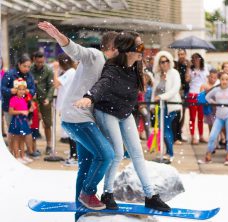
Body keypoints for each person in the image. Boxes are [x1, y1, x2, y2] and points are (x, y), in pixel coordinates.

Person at [75, 32, 171, 212]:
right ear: (127, 50)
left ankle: (150, 196)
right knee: (117, 153)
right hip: (107, 112)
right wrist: (89, 97)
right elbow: (102, 84)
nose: (143, 50)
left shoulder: (135, 67)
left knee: (137, 154)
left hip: (125, 114)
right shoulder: (112, 69)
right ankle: (107, 193)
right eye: (139, 47)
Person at [38, 21, 117, 221]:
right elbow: (76, 51)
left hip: (76, 118)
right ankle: (87, 193)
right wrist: (58, 35)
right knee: (106, 155)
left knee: (86, 164)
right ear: (111, 48)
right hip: (78, 119)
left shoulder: (109, 67)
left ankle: (80, 213)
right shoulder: (96, 56)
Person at [151, 50, 182, 161]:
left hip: (172, 106)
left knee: (166, 129)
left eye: (166, 61)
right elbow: (155, 91)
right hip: (160, 106)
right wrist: (152, 106)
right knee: (163, 129)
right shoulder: (158, 75)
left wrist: (162, 97)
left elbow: (175, 89)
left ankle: (170, 153)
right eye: (162, 62)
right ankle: (167, 152)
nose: (164, 64)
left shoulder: (174, 73)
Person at [1, 54, 36, 149]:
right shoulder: (9, 74)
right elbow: (2, 88)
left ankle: (21, 153)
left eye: (29, 66)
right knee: (12, 131)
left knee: (22, 131)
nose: (27, 69)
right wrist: (10, 91)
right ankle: (12, 152)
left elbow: (33, 90)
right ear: (19, 64)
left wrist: (29, 91)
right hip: (10, 107)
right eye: (24, 66)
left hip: (24, 108)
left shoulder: (29, 76)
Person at [53, 53, 77, 165]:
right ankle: (74, 153)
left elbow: (56, 84)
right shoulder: (71, 72)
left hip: (68, 106)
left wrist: (55, 70)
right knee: (70, 131)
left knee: (71, 132)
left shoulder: (70, 72)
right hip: (68, 106)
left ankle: (74, 156)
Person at [30, 51, 55, 155]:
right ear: (34, 60)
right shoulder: (30, 69)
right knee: (34, 124)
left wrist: (48, 99)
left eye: (42, 62)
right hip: (32, 100)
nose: (40, 64)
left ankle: (49, 145)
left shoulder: (48, 70)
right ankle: (33, 147)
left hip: (45, 100)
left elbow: (51, 86)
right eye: (38, 62)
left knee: (47, 124)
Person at [8, 78, 34, 164]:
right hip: (16, 121)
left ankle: (22, 155)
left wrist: (30, 110)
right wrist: (21, 112)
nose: (22, 91)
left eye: (23, 89)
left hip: (23, 121)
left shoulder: (24, 99)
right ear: (15, 90)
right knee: (16, 139)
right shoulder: (13, 99)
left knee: (22, 138)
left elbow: (25, 111)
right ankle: (17, 156)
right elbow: (11, 111)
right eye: (19, 89)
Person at [186, 53, 208, 144]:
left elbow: (207, 81)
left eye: (197, 58)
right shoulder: (190, 70)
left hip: (201, 94)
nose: (195, 60)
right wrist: (188, 69)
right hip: (192, 94)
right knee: (192, 117)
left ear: (200, 59)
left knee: (200, 117)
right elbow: (187, 80)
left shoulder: (204, 69)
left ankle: (201, 135)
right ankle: (192, 136)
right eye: (193, 59)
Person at [199, 68, 218, 134]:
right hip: (208, 109)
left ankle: (218, 140)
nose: (213, 79)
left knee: (217, 126)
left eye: (215, 78)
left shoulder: (217, 86)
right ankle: (212, 140)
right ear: (208, 76)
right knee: (211, 125)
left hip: (217, 110)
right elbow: (201, 98)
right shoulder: (204, 85)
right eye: (211, 77)